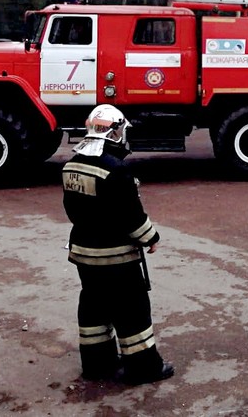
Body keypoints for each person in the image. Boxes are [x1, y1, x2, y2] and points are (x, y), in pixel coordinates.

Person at [61, 104, 174, 385]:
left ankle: (97, 364)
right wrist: (152, 238)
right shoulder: (116, 170)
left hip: (84, 254)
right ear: (114, 132)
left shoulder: (72, 165)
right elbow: (130, 215)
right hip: (117, 258)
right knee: (132, 309)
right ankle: (144, 368)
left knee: (93, 305)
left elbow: (71, 209)